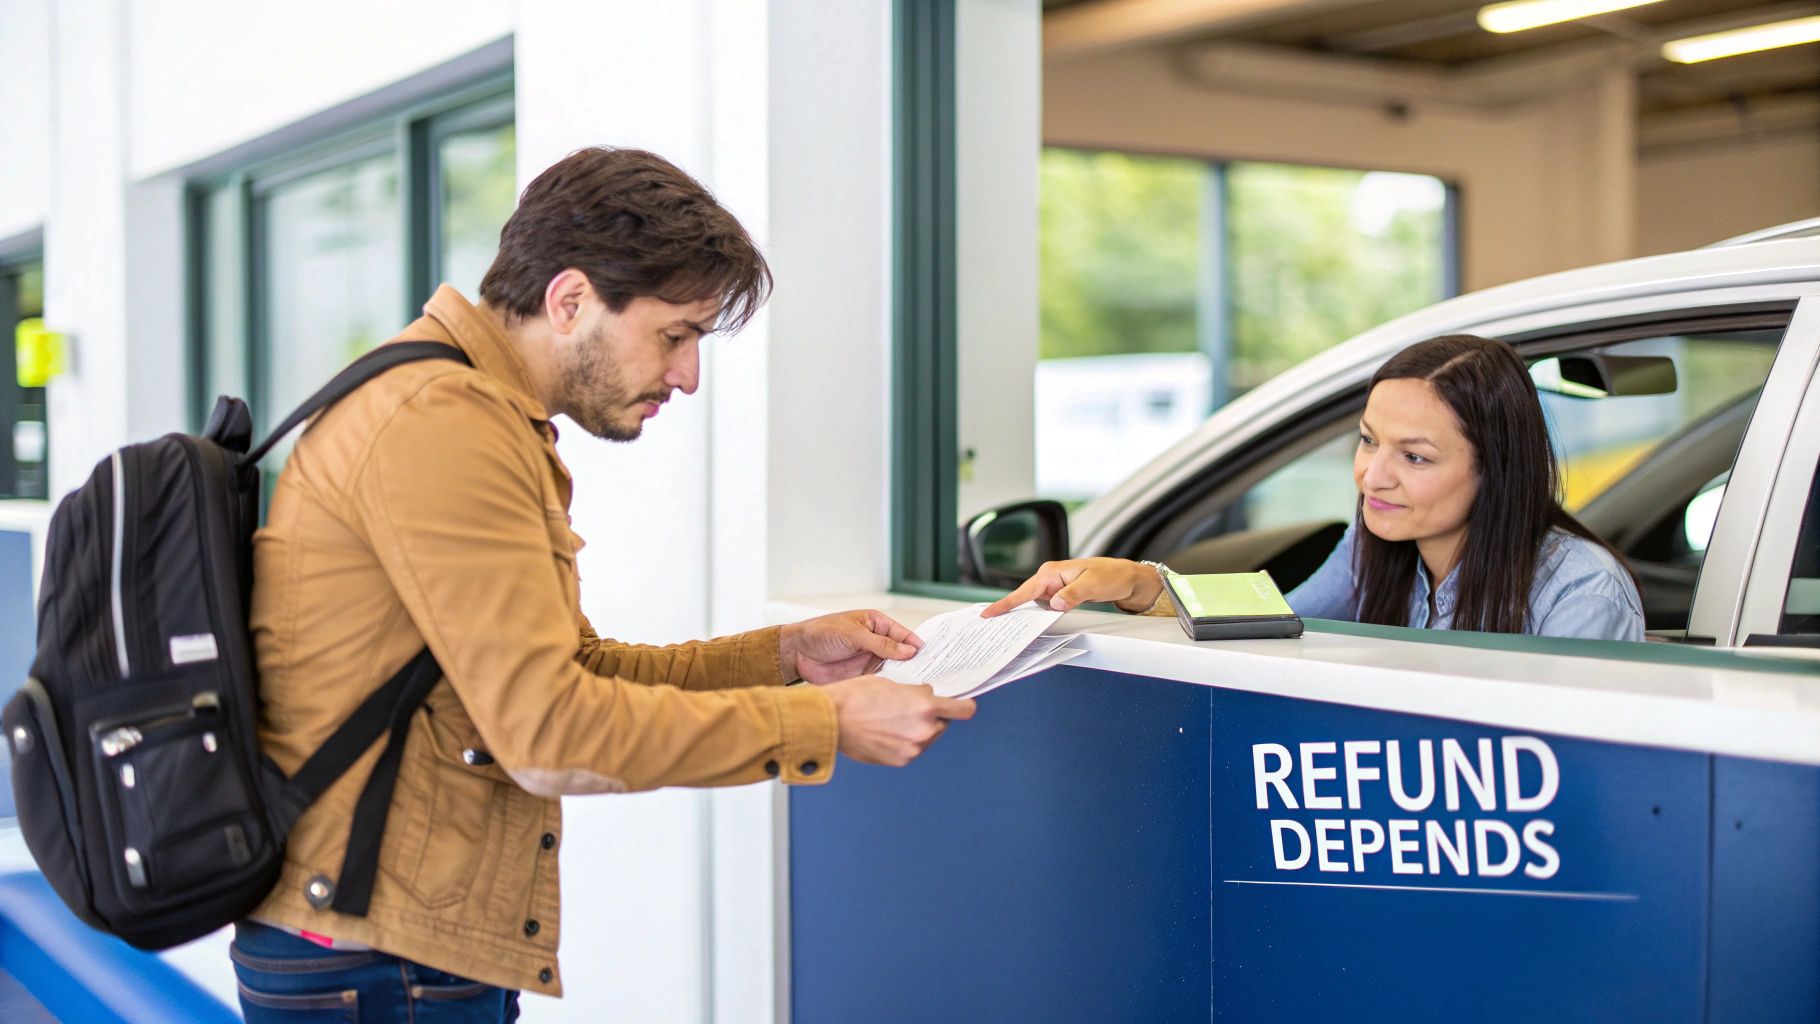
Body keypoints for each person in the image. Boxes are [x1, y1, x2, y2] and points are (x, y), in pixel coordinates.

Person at [231, 147, 974, 1022]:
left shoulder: (468, 408)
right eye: (675, 335)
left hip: (391, 944)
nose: (689, 376)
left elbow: (571, 675)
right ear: (571, 299)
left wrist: (783, 657)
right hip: (378, 961)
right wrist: (824, 724)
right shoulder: (442, 422)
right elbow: (547, 732)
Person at [984, 334, 1644, 642]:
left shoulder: (1581, 592)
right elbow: (1270, 617)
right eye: (1366, 440)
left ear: (1498, 469)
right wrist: (1135, 581)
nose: (1371, 476)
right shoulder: (1379, 542)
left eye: (1413, 456)